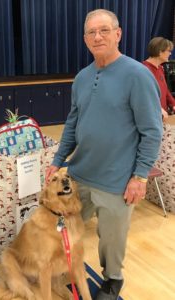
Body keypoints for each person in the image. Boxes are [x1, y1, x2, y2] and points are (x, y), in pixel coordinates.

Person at [45, 9, 163, 300]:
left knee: (111, 240)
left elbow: (152, 130)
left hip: (118, 179)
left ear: (118, 34)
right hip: (80, 175)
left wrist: (140, 175)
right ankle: (67, 270)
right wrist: (58, 160)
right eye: (91, 33)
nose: (97, 37)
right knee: (66, 230)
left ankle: (112, 280)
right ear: (85, 39)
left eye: (104, 31)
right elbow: (73, 122)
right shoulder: (82, 78)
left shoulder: (137, 75)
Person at [143, 37, 175, 121]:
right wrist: (158, 109)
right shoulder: (144, 70)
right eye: (168, 51)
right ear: (160, 52)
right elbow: (145, 96)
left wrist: (173, 103)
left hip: (162, 116)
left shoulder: (160, 68)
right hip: (151, 117)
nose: (170, 53)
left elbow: (165, 89)